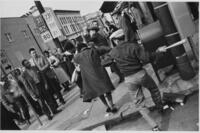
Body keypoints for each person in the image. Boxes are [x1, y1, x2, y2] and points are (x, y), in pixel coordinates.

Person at [108, 29, 167, 131]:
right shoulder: (133, 46)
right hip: (141, 74)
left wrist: (114, 59)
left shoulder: (113, 52)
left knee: (139, 104)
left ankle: (154, 126)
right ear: (124, 37)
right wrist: (158, 51)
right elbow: (147, 58)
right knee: (154, 90)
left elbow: (105, 62)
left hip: (129, 80)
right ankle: (160, 108)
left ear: (116, 41)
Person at [73, 43, 117, 113]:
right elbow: (107, 48)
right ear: (86, 46)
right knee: (107, 89)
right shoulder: (94, 50)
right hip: (101, 74)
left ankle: (107, 106)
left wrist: (77, 52)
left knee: (99, 92)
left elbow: (74, 60)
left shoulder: (77, 57)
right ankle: (112, 105)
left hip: (91, 77)